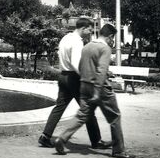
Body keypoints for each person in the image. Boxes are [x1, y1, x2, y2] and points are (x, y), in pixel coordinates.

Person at [53, 24, 135, 158]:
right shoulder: (105, 48)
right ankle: (119, 150)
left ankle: (61, 139)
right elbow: (101, 71)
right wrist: (97, 91)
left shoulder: (87, 46)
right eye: (112, 38)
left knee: (82, 115)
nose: (112, 41)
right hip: (99, 87)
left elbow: (81, 66)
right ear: (110, 36)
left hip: (84, 85)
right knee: (114, 116)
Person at [38, 17, 108, 150]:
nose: (90, 32)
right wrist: (86, 77)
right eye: (89, 30)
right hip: (74, 78)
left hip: (63, 75)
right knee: (87, 108)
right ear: (83, 28)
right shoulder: (77, 42)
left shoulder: (65, 38)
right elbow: (76, 64)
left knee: (59, 107)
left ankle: (45, 136)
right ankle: (96, 141)